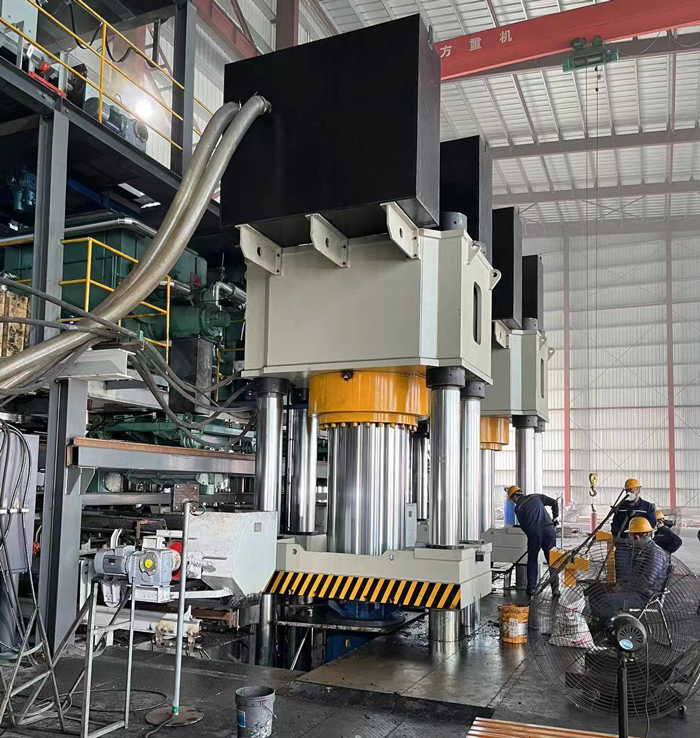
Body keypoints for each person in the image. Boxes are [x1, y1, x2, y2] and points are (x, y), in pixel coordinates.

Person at [507, 485, 559, 597]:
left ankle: (531, 588)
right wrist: (555, 518)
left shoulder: (518, 508)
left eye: (512, 499)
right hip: (549, 529)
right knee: (552, 560)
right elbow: (554, 503)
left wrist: (532, 537)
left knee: (532, 559)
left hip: (534, 533)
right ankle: (555, 589)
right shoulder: (535, 497)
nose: (513, 502)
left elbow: (524, 526)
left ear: (514, 497)